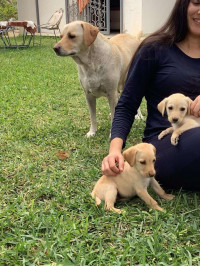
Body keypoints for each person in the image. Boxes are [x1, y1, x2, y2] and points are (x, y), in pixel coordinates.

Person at [102, 0, 200, 191]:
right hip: (167, 144)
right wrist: (114, 151)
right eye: (196, 2)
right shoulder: (156, 48)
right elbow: (127, 104)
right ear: (183, 5)